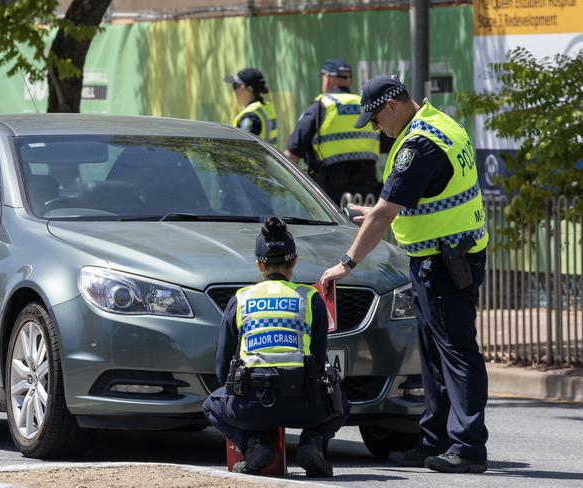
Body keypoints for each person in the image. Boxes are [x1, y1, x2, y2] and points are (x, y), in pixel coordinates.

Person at [319, 75, 489, 474]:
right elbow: (427, 197)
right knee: (434, 356)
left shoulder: (418, 145)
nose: (377, 129)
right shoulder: (442, 124)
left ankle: (467, 446)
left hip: (444, 262)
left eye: (376, 120)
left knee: (457, 353)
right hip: (451, 255)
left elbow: (384, 214)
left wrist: (347, 262)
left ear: (392, 105)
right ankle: (435, 439)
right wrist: (379, 213)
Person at [203, 217, 349, 478]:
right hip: (304, 404)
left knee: (210, 404)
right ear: (294, 261)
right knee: (342, 403)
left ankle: (256, 445)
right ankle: (311, 444)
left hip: (251, 405)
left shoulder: (240, 299)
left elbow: (222, 366)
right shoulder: (310, 297)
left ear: (259, 264)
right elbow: (317, 358)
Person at [284, 58, 381, 204]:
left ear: (327, 79)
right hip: (367, 190)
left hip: (329, 193)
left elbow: (292, 153)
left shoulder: (321, 106)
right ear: (349, 81)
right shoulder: (366, 106)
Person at [223, 68, 278, 145]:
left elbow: (243, 149)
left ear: (243, 88)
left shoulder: (250, 117)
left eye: (235, 86)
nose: (234, 91)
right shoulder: (265, 108)